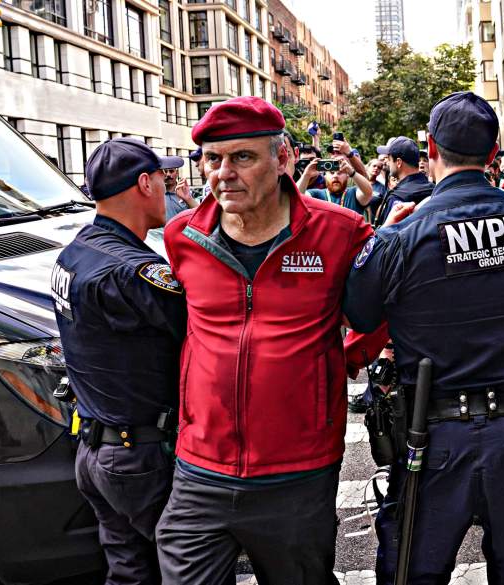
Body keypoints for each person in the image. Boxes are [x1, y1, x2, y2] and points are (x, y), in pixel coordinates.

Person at [344, 92, 504, 585]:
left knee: (415, 572)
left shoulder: (406, 232)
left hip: (436, 440)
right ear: (493, 154)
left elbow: (357, 310)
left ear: (430, 149)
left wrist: (382, 237)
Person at [156, 96, 373, 584]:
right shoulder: (181, 238)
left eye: (243, 157)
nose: (223, 173)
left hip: (297, 472)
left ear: (284, 160)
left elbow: (376, 314)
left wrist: (339, 363)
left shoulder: (340, 232)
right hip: (200, 468)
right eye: (213, 159)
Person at [52, 138, 188, 585]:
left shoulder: (74, 253)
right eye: (166, 180)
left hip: (95, 450)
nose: (172, 188)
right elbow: (204, 335)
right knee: (190, 567)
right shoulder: (135, 273)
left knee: (129, 572)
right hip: (140, 456)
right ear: (144, 184)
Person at [373, 136, 436, 226]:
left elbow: (387, 236)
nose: (387, 163)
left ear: (398, 162)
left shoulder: (397, 198)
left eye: (389, 159)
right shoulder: (435, 189)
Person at [303, 153, 374, 218]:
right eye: (331, 172)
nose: (335, 176)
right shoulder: (315, 194)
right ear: (325, 176)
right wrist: (306, 175)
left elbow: (368, 192)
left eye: (340, 173)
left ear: (347, 176)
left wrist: (351, 172)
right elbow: (294, 199)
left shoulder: (354, 193)